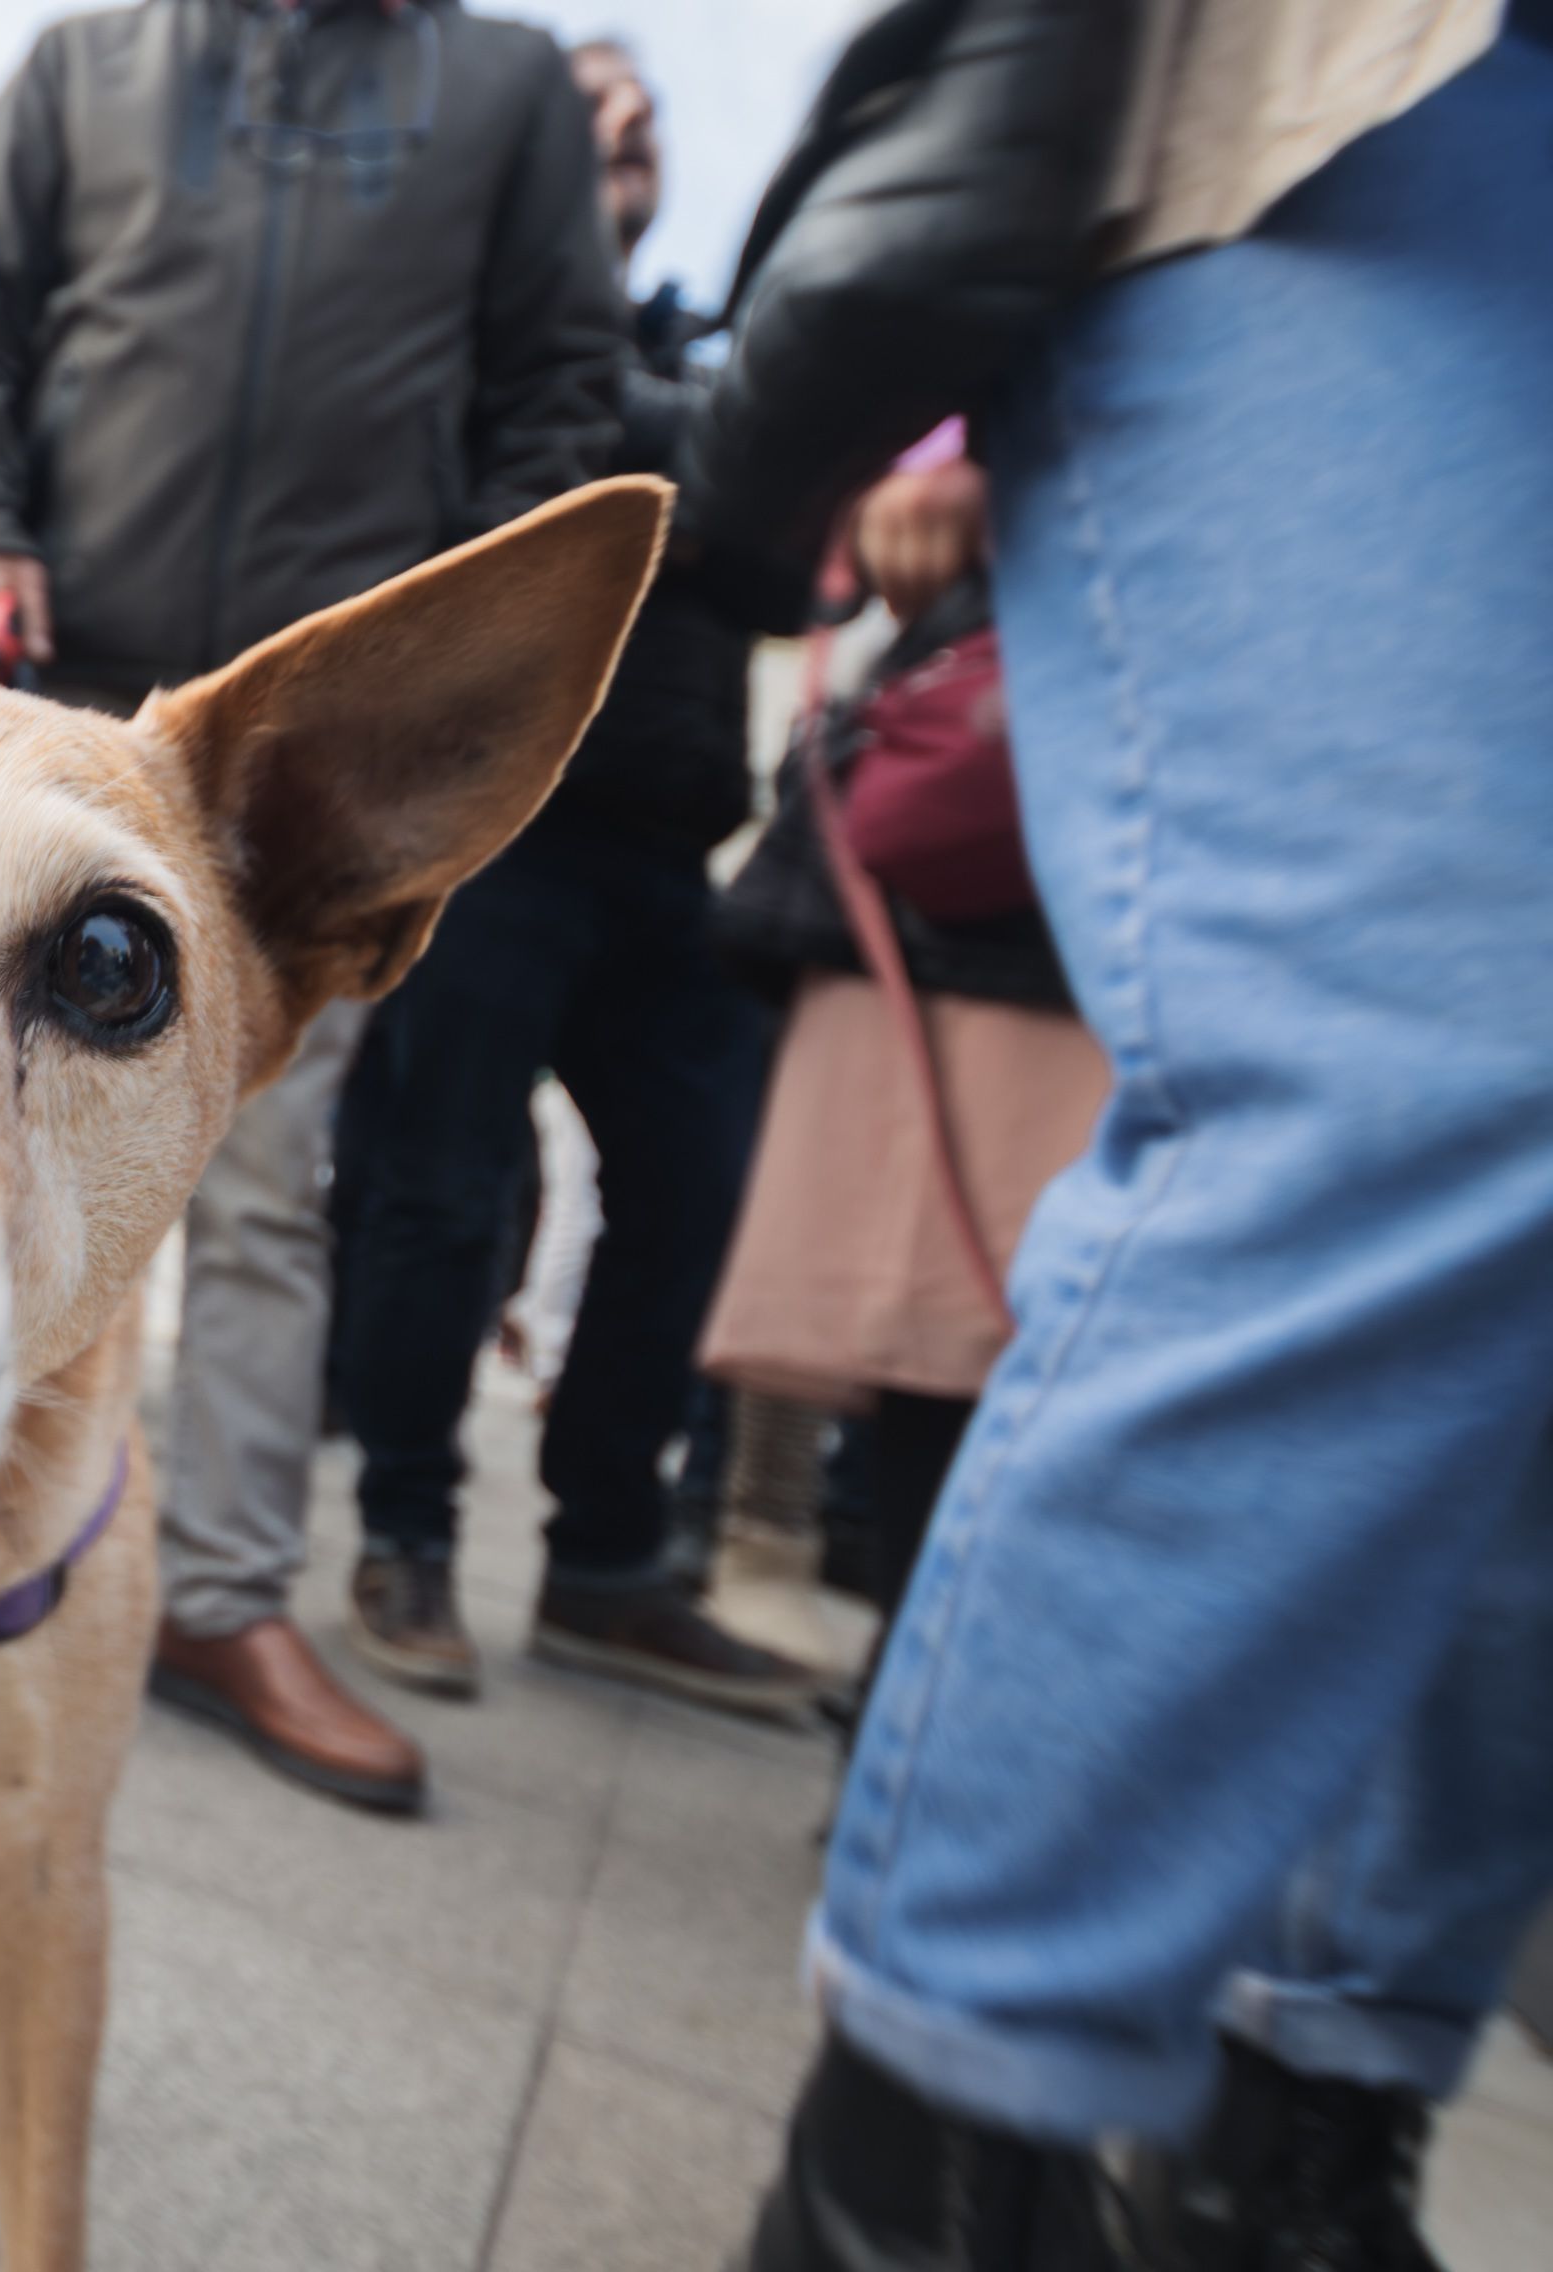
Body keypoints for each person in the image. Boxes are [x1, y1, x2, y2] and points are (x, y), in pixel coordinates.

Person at [678, 3, 1553, 2263]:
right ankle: (935, 2141)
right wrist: (958, 368)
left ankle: (1306, 2109)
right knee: (1412, 1076)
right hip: (1348, 104)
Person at [0, 0, 629, 1815]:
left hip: (295, 767)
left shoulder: (512, 87)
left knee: (265, 1192)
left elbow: (557, 396)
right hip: (49, 692)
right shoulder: (83, 65)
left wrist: (417, 680)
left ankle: (215, 1594)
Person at [326, 33, 812, 1720]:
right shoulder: (461, 330)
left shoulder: (696, 349)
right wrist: (690, 474)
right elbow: (546, 514)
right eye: (587, 107)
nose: (618, 131)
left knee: (691, 1181)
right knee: (442, 1185)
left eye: (644, 119)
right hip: (492, 847)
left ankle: (607, 1558)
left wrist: (676, 470)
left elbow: (777, 553)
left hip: (671, 847)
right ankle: (401, 1526)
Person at [698, 436, 1107, 1713]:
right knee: (967, 1357)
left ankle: (912, 1706)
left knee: (975, 1359)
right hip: (1022, 933)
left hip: (1054, 933)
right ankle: (911, 1712)